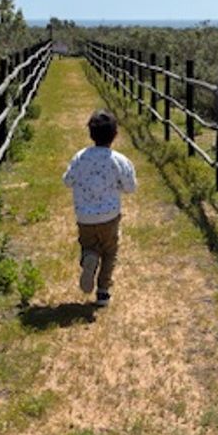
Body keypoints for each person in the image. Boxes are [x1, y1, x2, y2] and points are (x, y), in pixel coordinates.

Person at [62, 109, 137, 307]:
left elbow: (67, 181)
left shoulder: (80, 157)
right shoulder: (119, 160)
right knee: (110, 252)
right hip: (109, 216)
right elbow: (131, 187)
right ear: (115, 134)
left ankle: (89, 257)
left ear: (91, 134)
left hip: (85, 217)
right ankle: (103, 292)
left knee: (88, 245)